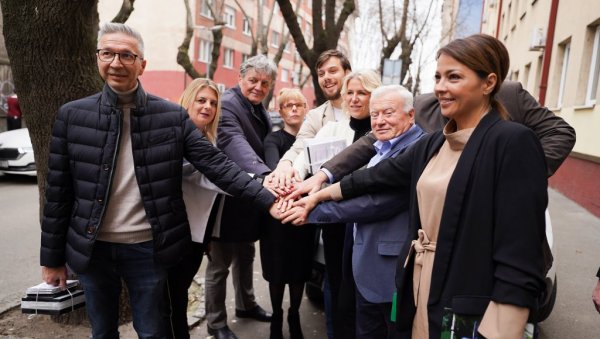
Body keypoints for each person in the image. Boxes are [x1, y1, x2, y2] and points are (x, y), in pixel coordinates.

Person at [282, 34, 548, 338]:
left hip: (471, 299)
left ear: (488, 83)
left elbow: (520, 258)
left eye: (454, 77)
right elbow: (374, 177)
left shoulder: (512, 143)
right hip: (422, 286)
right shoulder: (434, 143)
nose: (440, 87)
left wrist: (502, 331)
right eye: (437, 77)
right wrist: (316, 194)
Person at [40, 23, 277, 339]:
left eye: (127, 55)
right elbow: (58, 194)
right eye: (107, 53)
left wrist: (271, 199)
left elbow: (218, 166)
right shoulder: (72, 116)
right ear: (97, 58)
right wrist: (52, 259)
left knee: (154, 332)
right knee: (102, 332)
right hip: (92, 251)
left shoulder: (170, 117)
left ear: (142, 64)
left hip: (148, 249)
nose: (116, 62)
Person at [301, 85, 424, 339]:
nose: (379, 121)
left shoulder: (417, 150)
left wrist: (311, 211)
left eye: (388, 113)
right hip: (365, 269)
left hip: (392, 276)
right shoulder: (382, 146)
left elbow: (377, 204)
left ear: (411, 115)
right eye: (375, 114)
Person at [204, 54, 277, 339]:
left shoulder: (258, 107)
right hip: (227, 197)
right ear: (240, 78)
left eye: (264, 83)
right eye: (253, 81)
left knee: (246, 254)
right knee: (219, 264)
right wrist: (266, 176)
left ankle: (246, 304)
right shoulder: (229, 105)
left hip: (250, 197)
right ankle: (216, 323)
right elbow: (235, 143)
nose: (258, 87)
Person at [167, 78, 224, 339]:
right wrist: (261, 186)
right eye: (201, 100)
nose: (207, 107)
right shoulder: (176, 138)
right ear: (187, 101)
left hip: (197, 237)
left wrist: (210, 235)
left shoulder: (208, 141)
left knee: (178, 297)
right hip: (176, 235)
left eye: (213, 103)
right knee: (172, 302)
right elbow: (211, 178)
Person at [260, 88, 315, 339]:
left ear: (306, 109)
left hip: (305, 212)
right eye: (288, 105)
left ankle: (293, 313)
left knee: (299, 268)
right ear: (280, 111)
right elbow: (274, 171)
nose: (293, 109)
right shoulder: (273, 140)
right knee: (277, 269)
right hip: (278, 214)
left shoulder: (313, 139)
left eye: (298, 105)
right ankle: (276, 317)